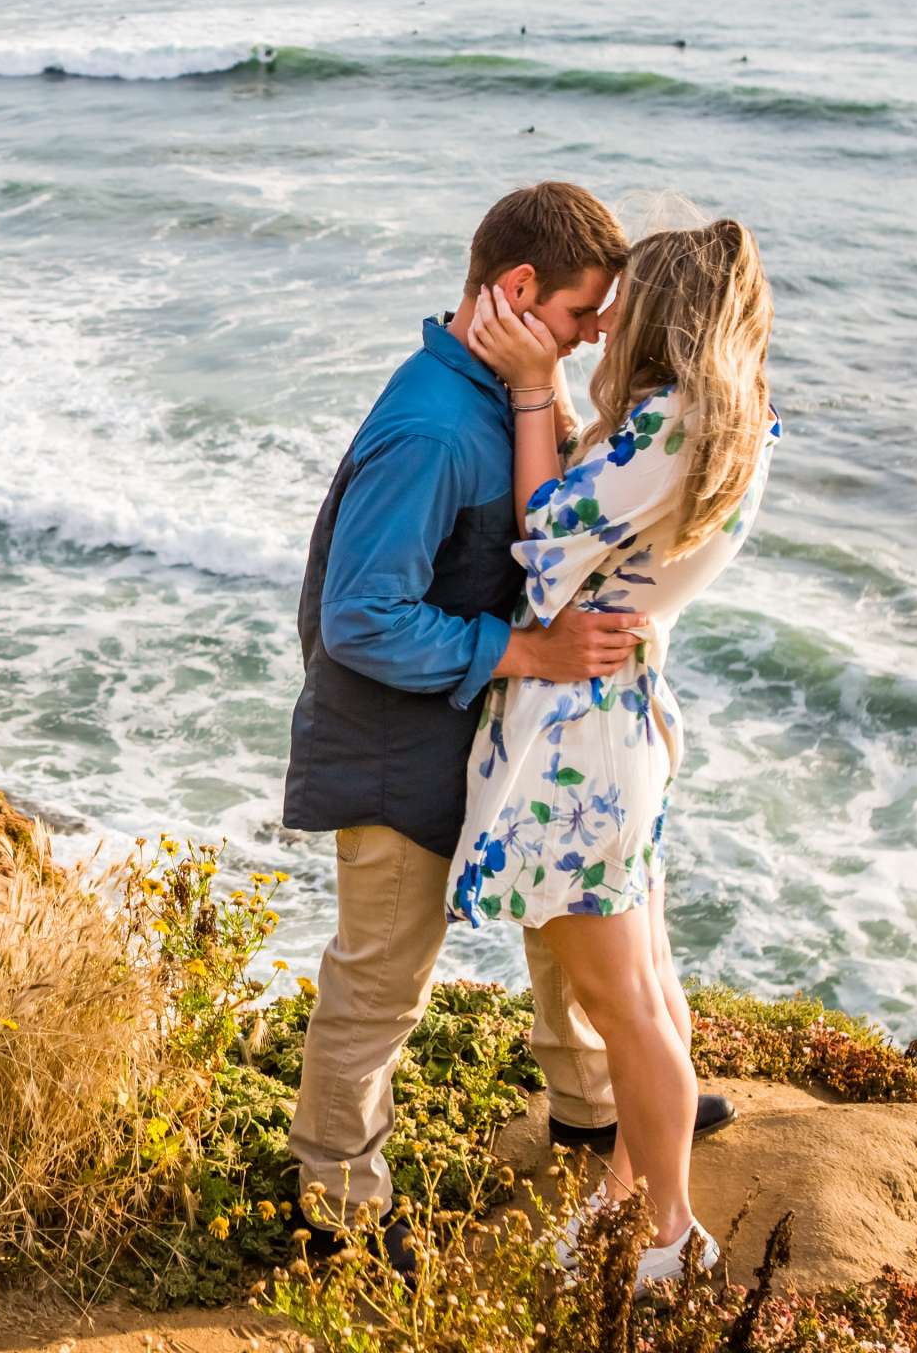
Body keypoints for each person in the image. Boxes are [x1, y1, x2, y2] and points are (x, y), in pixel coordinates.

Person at [282, 184, 731, 1269]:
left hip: (481, 727)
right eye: (581, 316)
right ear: (520, 290)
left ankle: (595, 1104)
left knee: (559, 917)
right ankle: (338, 1209)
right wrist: (525, 652)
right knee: (379, 986)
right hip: (394, 745)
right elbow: (357, 617)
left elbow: (565, 515)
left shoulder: (504, 395)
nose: (589, 341)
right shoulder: (432, 427)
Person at [451, 216, 779, 1291]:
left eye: (623, 302)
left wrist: (535, 391)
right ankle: (627, 1197)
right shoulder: (729, 422)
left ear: (663, 313)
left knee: (621, 1001)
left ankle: (671, 1235)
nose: (605, 322)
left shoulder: (671, 427)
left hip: (583, 740)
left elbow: (545, 538)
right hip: (621, 719)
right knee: (645, 984)